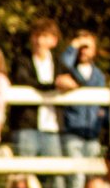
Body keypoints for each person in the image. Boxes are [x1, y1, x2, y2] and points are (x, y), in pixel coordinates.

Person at [9, 18, 74, 157]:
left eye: (44, 36)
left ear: (54, 40)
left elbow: (77, 80)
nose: (39, 41)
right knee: (23, 173)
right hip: (26, 126)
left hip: (52, 128)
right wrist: (54, 85)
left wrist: (71, 83)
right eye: (36, 35)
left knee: (55, 176)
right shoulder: (21, 60)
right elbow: (23, 80)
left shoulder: (58, 62)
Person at [59, 31, 107, 188]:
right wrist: (75, 44)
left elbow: (103, 105)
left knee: (92, 180)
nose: (83, 51)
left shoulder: (99, 76)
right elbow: (64, 62)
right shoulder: (69, 71)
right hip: (73, 132)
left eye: (87, 47)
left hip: (92, 134)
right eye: (80, 47)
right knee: (76, 179)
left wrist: (102, 119)